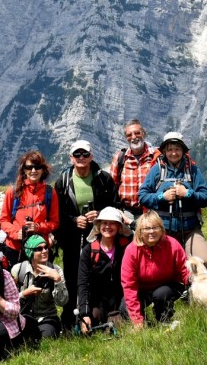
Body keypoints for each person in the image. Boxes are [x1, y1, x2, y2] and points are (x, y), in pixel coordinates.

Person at [53, 139, 115, 330]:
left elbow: (114, 205)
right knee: (72, 275)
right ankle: (71, 317)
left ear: (91, 157)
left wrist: (100, 214)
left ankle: (94, 312)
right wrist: (73, 220)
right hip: (72, 236)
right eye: (77, 154)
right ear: (71, 157)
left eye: (85, 154)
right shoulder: (63, 181)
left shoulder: (104, 178)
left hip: (98, 233)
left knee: (96, 272)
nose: (81, 158)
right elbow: (57, 212)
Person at [138, 131, 207, 270]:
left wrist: (188, 193)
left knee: (203, 261)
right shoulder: (156, 170)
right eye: (170, 149)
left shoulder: (193, 170)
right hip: (162, 230)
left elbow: (206, 198)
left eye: (177, 149)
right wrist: (162, 197)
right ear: (164, 151)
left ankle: (195, 289)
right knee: (161, 265)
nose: (173, 153)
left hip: (190, 229)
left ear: (183, 151)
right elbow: (142, 196)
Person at [120, 211, 189, 328]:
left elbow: (184, 270)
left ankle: (163, 319)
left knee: (161, 294)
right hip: (143, 289)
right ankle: (147, 325)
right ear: (140, 232)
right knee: (124, 309)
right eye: (146, 228)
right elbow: (129, 286)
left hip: (168, 286)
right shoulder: (131, 250)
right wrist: (137, 320)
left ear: (161, 229)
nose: (151, 231)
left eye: (155, 227)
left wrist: (196, 284)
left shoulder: (172, 244)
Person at [0, 150, 59, 265]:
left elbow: (54, 223)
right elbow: (3, 220)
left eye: (37, 167)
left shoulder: (50, 192)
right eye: (29, 167)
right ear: (24, 170)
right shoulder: (13, 191)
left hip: (39, 249)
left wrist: (37, 227)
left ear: (43, 169)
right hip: (15, 248)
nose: (33, 171)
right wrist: (16, 233)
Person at [76, 207, 131, 333]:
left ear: (119, 227)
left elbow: (144, 233)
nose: (107, 227)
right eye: (104, 223)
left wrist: (131, 222)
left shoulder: (126, 247)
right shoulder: (89, 250)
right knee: (91, 322)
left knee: (119, 325)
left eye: (112, 223)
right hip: (97, 300)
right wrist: (84, 313)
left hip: (120, 299)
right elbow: (82, 282)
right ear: (98, 226)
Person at [11, 234, 67, 341]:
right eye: (39, 249)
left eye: (46, 247)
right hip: (23, 316)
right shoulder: (18, 270)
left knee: (45, 337)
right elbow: (9, 301)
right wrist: (25, 293)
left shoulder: (56, 270)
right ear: (30, 252)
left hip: (47, 317)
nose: (44, 251)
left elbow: (62, 302)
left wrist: (57, 280)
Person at [110, 119, 158, 219]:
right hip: (127, 211)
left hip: (151, 210)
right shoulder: (120, 157)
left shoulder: (156, 156)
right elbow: (112, 186)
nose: (134, 137)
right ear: (126, 138)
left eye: (137, 133)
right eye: (129, 135)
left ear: (143, 134)